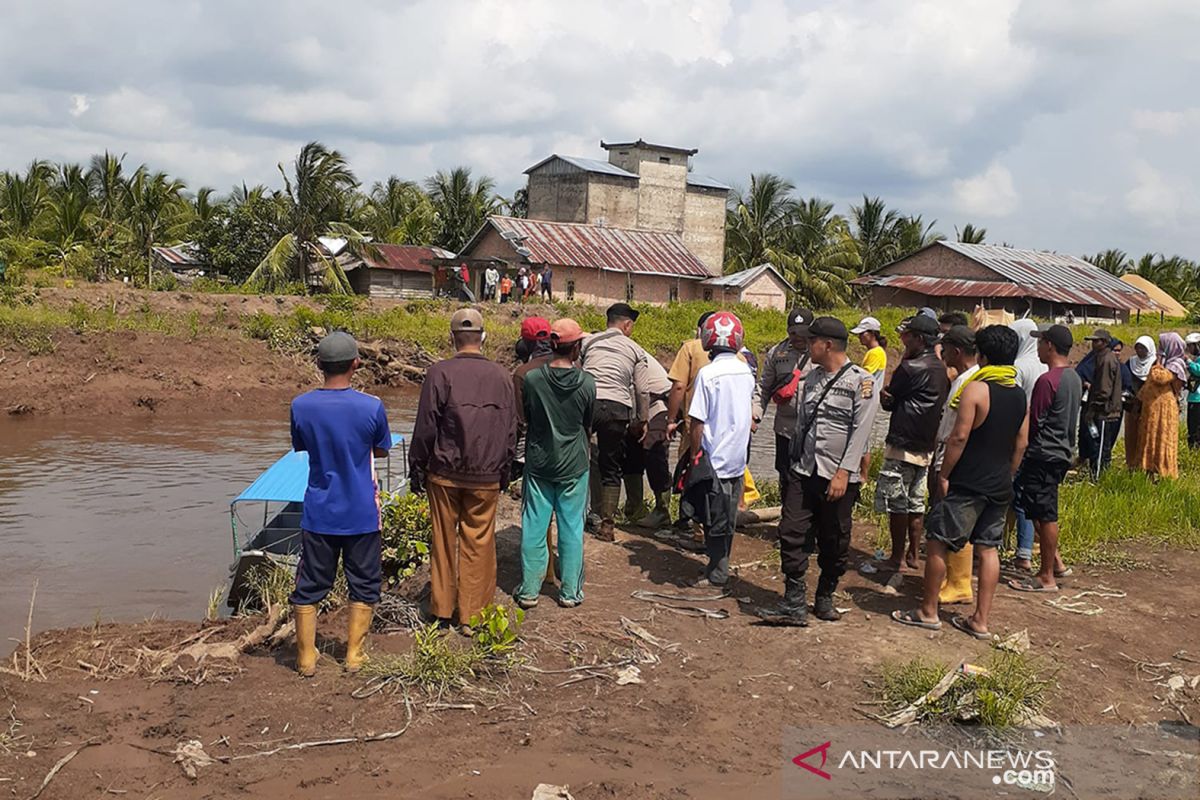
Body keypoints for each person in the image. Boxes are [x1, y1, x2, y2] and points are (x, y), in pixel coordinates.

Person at [893, 325, 1029, 639]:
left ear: (982, 355)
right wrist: (1007, 474)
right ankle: (980, 620)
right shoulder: (1019, 394)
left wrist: (944, 475)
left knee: (939, 541)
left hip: (968, 481)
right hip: (998, 484)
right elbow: (1021, 443)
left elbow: (959, 437)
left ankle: (928, 611)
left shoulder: (977, 389)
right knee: (988, 549)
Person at [758, 317, 879, 625]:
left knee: (835, 539)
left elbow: (861, 432)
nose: (805, 345)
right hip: (804, 470)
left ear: (827, 345)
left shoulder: (861, 382)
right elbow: (800, 425)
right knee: (791, 531)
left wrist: (844, 473)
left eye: (812, 341)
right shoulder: (810, 379)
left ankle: (824, 597)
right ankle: (794, 603)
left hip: (838, 477)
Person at [288, 332, 392, 677]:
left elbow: (302, 447)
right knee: (364, 582)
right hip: (362, 513)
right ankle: (355, 655)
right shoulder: (372, 406)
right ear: (356, 364)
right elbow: (380, 449)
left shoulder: (301, 406)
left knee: (311, 584)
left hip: (319, 512)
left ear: (319, 365)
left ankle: (305, 658)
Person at [409, 309, 517, 634]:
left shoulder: (439, 373)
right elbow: (511, 431)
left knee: (443, 540)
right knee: (479, 543)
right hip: (486, 475)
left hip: (443, 473)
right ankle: (472, 616)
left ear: (451, 337)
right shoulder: (503, 377)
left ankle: (442, 612)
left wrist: (417, 465)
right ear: (484, 337)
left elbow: (425, 428)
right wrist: (505, 471)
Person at [515, 319, 594, 610]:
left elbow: (528, 418)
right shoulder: (587, 382)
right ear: (576, 348)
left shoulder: (534, 380)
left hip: (539, 462)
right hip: (574, 463)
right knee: (571, 527)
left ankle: (529, 591)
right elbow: (587, 424)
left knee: (534, 526)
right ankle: (570, 592)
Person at [868, 314, 949, 573]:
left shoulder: (910, 367)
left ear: (919, 339)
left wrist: (884, 393)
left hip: (902, 443)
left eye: (908, 336)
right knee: (916, 503)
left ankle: (897, 557)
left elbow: (889, 400)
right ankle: (914, 554)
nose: (904, 340)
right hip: (926, 446)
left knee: (897, 504)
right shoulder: (940, 368)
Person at [685, 311, 756, 587]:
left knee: (712, 515)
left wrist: (694, 455)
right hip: (737, 457)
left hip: (713, 457)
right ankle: (720, 565)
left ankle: (717, 571)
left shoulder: (707, 374)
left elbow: (697, 421)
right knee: (727, 515)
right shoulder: (746, 372)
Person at [1009, 325, 1081, 592]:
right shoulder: (1072, 377)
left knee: (1046, 512)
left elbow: (1035, 422)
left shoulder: (1047, 381)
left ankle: (1046, 575)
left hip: (1043, 454)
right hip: (1060, 453)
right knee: (1039, 509)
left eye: (1041, 344)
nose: (1038, 348)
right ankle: (1055, 564)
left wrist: (1020, 452)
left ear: (1049, 346)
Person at [580, 303, 651, 542]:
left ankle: (583, 515)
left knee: (582, 458)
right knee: (611, 465)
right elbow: (642, 391)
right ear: (627, 325)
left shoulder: (588, 342)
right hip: (617, 408)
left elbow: (579, 374)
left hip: (589, 401)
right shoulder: (636, 350)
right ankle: (607, 526)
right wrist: (642, 420)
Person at [929, 325, 980, 604]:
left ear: (957, 351)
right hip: (949, 457)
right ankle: (954, 579)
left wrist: (944, 470)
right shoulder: (964, 379)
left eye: (945, 349)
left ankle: (959, 583)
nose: (942, 354)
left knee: (950, 523)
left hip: (952, 462)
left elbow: (958, 433)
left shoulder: (968, 383)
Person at [759, 308, 814, 495]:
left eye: (802, 332)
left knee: (811, 475)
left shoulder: (822, 351)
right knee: (785, 473)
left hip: (813, 428)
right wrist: (755, 416)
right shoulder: (777, 353)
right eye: (793, 332)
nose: (797, 337)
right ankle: (787, 514)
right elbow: (764, 388)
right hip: (785, 428)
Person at [1009, 318, 1046, 571]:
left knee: (1016, 494)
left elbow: (1013, 406)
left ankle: (1021, 551)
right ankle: (1027, 546)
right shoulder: (1044, 366)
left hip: (1017, 437)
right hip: (1039, 439)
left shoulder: (1018, 367)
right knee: (1032, 495)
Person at [623, 347, 674, 529]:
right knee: (630, 454)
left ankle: (663, 511)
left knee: (654, 453)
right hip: (639, 406)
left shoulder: (625, 353)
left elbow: (640, 389)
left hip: (660, 403)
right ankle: (634, 508)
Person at [1132, 333, 1187, 479]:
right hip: (1152, 409)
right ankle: (1148, 469)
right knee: (1150, 437)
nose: (1159, 348)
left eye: (1162, 345)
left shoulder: (1176, 364)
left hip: (1165, 410)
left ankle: (1164, 472)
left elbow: (1160, 378)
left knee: (1163, 438)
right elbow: (1149, 383)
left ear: (1170, 346)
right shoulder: (1161, 363)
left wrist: (1156, 365)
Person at [512, 317, 555, 485]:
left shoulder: (523, 373)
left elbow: (519, 422)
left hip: (534, 452)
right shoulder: (574, 367)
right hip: (570, 453)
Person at [1081, 329, 1122, 477]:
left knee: (1100, 447)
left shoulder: (1106, 360)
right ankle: (1101, 475)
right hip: (1103, 409)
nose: (1093, 344)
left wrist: (1092, 409)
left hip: (1104, 411)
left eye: (1096, 341)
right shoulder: (1102, 357)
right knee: (1100, 444)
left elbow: (1104, 390)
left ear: (1104, 342)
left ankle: (1098, 477)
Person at [1124, 336, 1156, 468]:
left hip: (1148, 405)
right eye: (1137, 347)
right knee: (1131, 435)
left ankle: (1145, 464)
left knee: (1146, 435)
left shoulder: (1155, 363)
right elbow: (1124, 380)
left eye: (1143, 348)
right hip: (1131, 405)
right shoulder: (1130, 362)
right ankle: (1131, 464)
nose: (1139, 351)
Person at [852, 316, 888, 381]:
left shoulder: (875, 353)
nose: (859, 337)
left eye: (862, 333)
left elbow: (864, 375)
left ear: (872, 334)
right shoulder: (875, 351)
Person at [1186, 333, 1200, 449]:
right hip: (1194, 397)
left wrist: (1189, 362)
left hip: (1197, 398)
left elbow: (1198, 371)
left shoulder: (1196, 360)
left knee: (1194, 427)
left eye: (1191, 346)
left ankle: (1194, 448)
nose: (1189, 349)